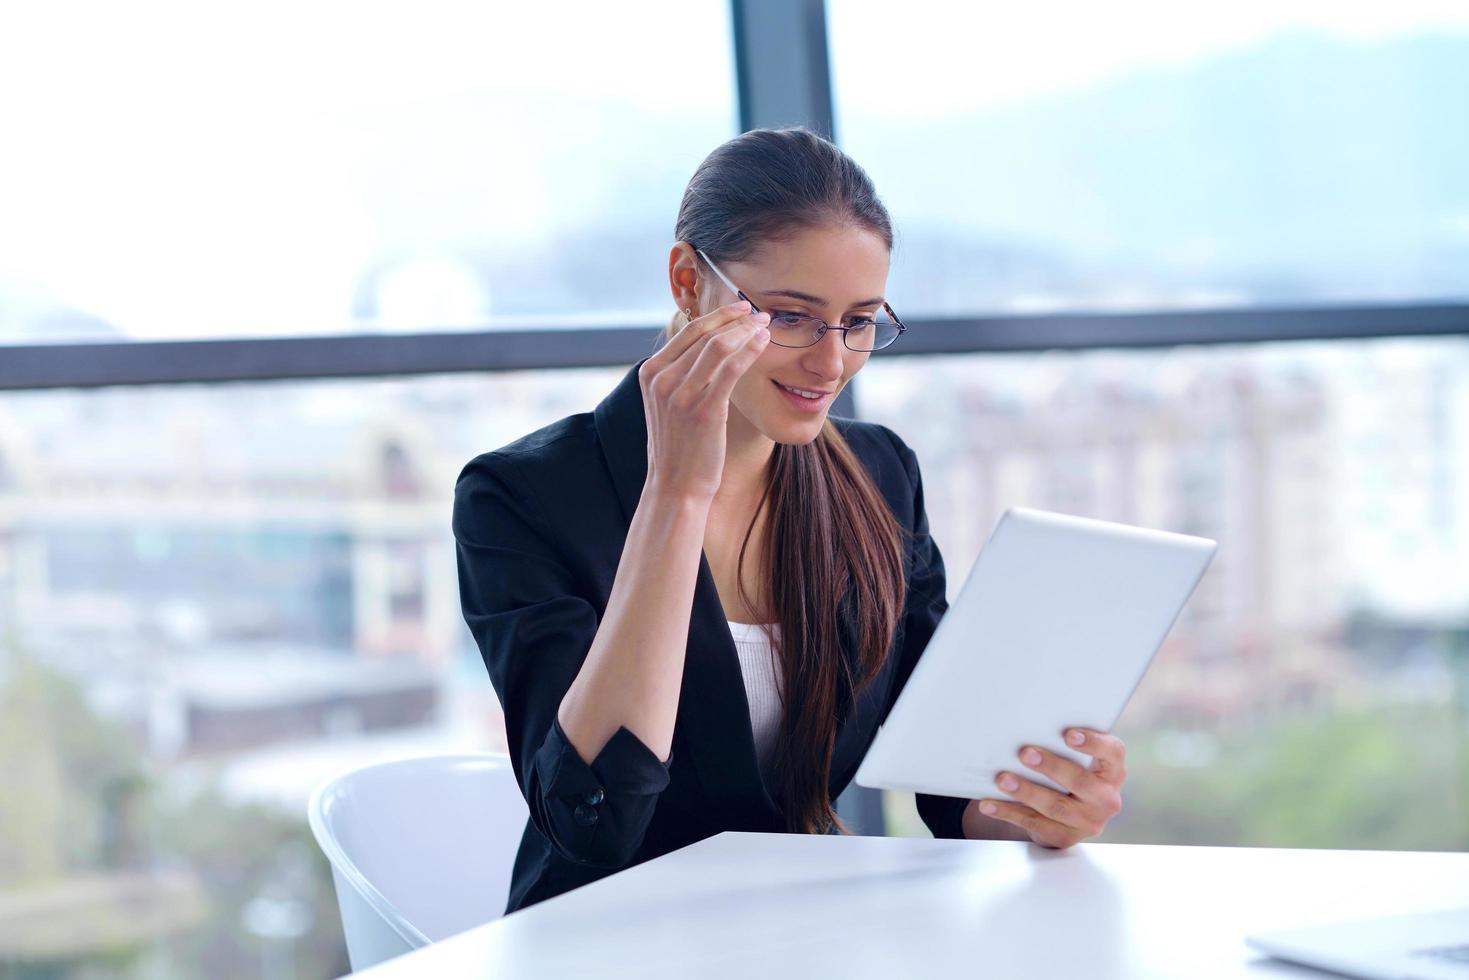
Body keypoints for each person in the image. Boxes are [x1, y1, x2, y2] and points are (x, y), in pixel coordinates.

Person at [453, 127, 1128, 915]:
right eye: (790, 316)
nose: (830, 362)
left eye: (860, 321)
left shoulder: (879, 478)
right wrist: (674, 494)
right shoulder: (522, 497)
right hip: (600, 936)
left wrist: (1029, 806)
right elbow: (593, 815)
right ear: (686, 281)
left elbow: (948, 782)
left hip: (812, 928)